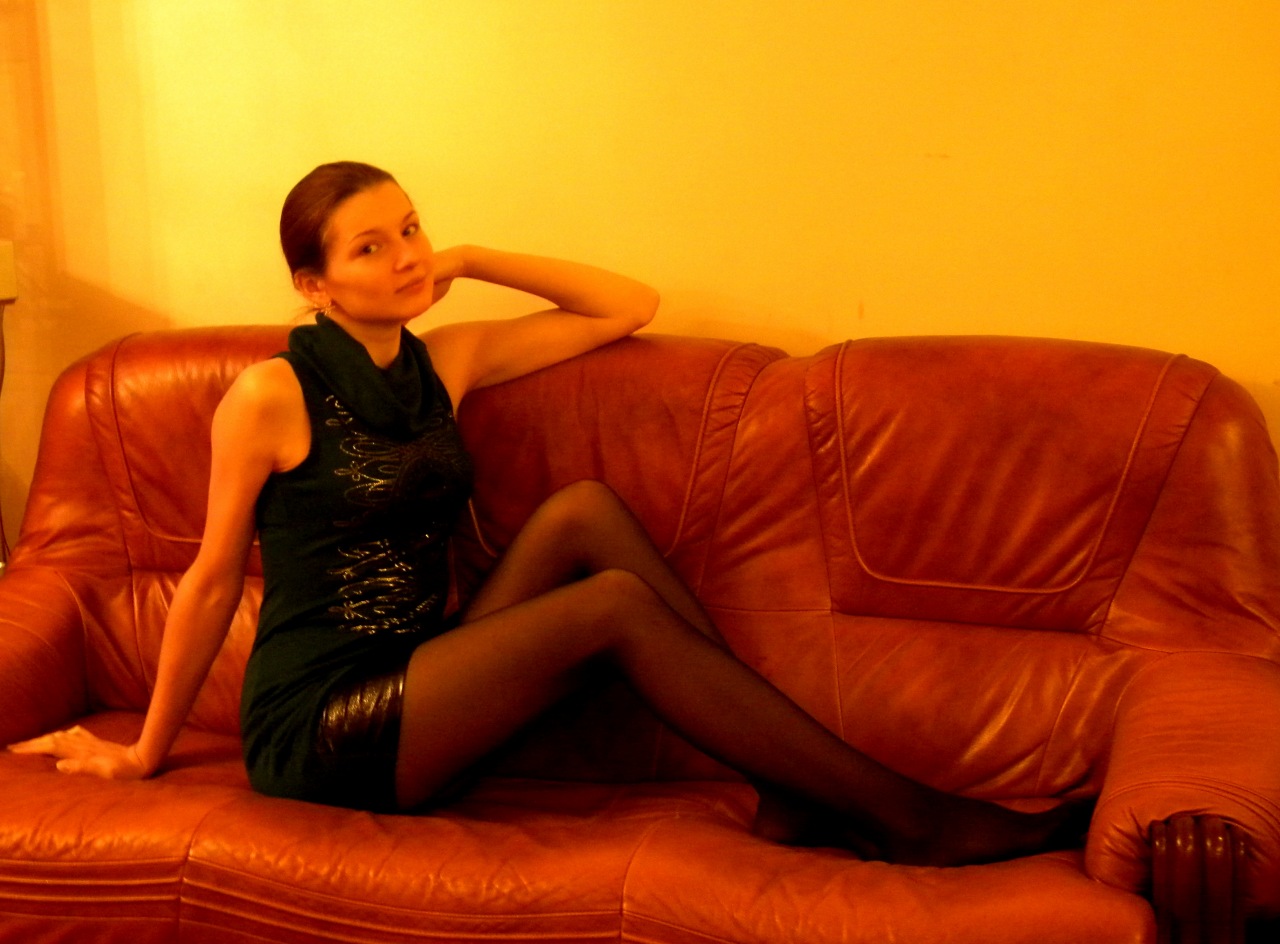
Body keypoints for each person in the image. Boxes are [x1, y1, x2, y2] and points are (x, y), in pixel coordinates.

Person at [8, 161, 1089, 865]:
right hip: (324, 726)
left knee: (583, 511)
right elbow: (207, 580)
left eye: (411, 229)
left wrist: (473, 259)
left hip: (424, 668)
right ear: (313, 284)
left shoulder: (446, 360)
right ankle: (910, 817)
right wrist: (146, 751)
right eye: (370, 247)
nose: (406, 255)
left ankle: (791, 787)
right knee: (609, 605)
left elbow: (627, 305)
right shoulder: (268, 396)